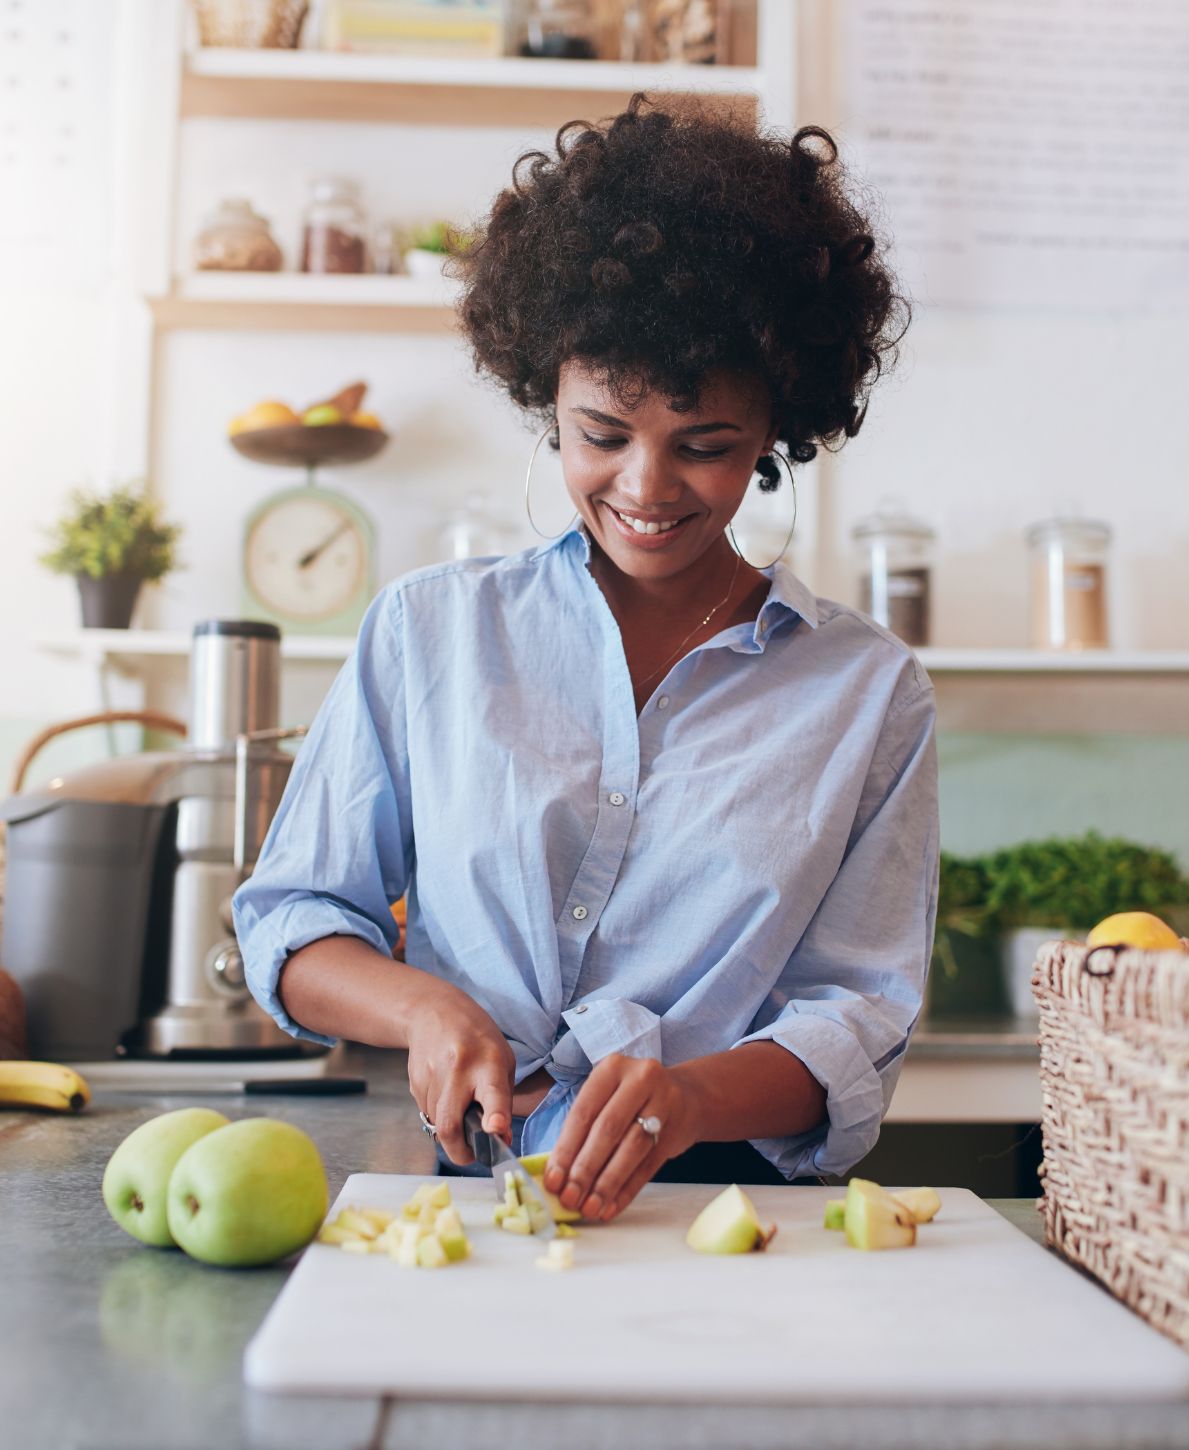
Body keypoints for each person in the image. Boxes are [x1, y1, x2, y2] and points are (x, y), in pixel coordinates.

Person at [233, 95, 936, 1222]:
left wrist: (693, 1098)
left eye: (704, 447)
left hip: (731, 1218)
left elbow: (857, 1011)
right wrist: (426, 1008)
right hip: (470, 1208)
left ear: (774, 434)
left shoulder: (867, 693)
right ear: (544, 399)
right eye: (600, 434)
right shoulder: (430, 632)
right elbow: (295, 916)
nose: (646, 489)